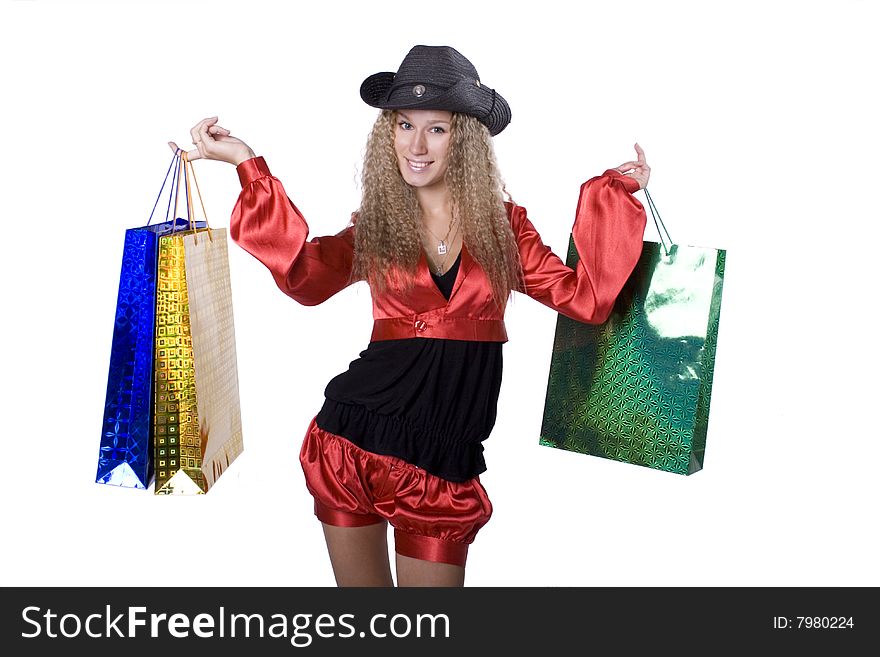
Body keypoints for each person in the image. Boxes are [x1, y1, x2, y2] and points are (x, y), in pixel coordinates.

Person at [170, 45, 650, 587]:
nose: (416, 146)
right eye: (403, 125)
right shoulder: (376, 227)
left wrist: (613, 195)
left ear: (464, 139)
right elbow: (304, 276)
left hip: (443, 459)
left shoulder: (504, 227)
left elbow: (585, 299)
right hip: (351, 443)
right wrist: (246, 164)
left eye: (437, 129)